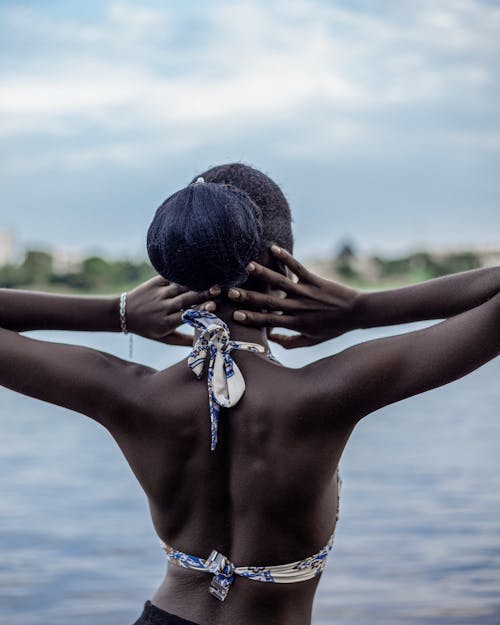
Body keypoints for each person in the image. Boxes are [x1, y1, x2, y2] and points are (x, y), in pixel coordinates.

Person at [1, 163, 499, 625]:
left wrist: (117, 312)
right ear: (287, 272)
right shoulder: (326, 394)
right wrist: (359, 308)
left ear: (173, 276)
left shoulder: (130, 395)